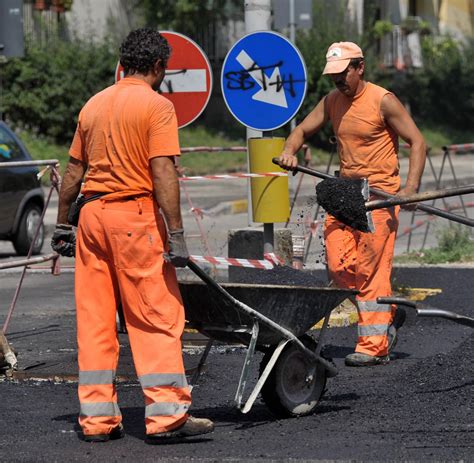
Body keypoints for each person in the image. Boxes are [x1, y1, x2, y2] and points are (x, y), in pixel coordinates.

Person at [51, 28, 213, 443]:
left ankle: (97, 420)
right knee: (155, 315)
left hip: (91, 217)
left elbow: (73, 173)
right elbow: (162, 173)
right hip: (134, 217)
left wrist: (63, 224)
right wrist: (175, 233)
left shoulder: (94, 105)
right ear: (159, 67)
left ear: (124, 63)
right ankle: (166, 417)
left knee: (95, 320)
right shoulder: (157, 107)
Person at [279, 42, 426, 367]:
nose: (338, 80)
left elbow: (417, 141)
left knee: (370, 270)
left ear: (359, 67)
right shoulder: (332, 101)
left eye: (343, 72)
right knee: (340, 268)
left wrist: (412, 188)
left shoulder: (382, 100)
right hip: (346, 194)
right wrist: (290, 149)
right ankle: (386, 317)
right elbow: (302, 129)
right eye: (333, 75)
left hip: (379, 198)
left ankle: (374, 345)